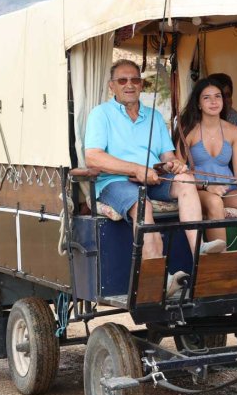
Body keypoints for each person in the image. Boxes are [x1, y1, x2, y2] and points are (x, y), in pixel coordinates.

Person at [85, 59, 225, 296]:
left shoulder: (153, 116)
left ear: (142, 84)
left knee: (186, 180)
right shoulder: (100, 114)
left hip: (154, 177)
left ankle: (199, 249)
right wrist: (136, 169)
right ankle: (157, 278)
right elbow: (93, 158)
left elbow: (168, 156)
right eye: (123, 80)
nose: (129, 85)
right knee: (143, 204)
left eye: (135, 80)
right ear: (112, 86)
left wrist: (175, 165)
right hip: (115, 182)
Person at [177, 77, 237, 249]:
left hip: (227, 189)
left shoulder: (234, 131)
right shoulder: (188, 130)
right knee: (214, 201)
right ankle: (219, 265)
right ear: (198, 103)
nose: (214, 101)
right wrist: (207, 187)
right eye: (207, 97)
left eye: (218, 96)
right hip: (199, 191)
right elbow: (180, 172)